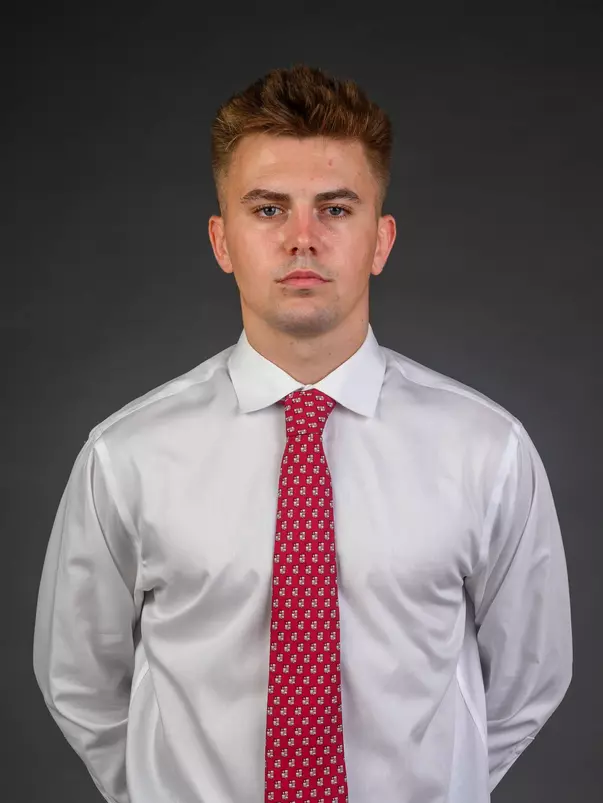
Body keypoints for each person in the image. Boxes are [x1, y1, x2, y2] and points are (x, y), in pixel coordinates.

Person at [33, 63, 572, 803]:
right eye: (267, 209)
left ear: (380, 240)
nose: (301, 239)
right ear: (222, 241)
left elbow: (529, 679)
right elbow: (78, 679)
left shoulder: (486, 451)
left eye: (335, 208)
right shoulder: (127, 456)